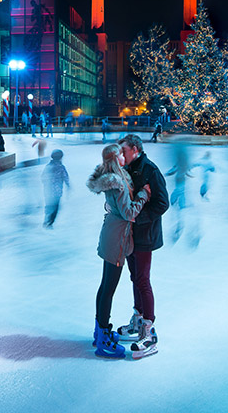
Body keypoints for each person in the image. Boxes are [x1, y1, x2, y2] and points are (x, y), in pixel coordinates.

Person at [86, 143, 150, 359]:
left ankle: (100, 331)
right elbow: (129, 213)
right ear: (115, 158)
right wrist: (143, 195)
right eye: (121, 153)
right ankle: (103, 339)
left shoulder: (115, 177)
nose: (125, 155)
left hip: (111, 234)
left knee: (105, 286)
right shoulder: (119, 183)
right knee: (109, 288)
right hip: (117, 239)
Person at [115, 134, 169, 359]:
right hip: (131, 235)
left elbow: (163, 203)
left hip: (145, 235)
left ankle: (149, 329)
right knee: (134, 277)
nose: (122, 155)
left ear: (135, 149)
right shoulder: (129, 169)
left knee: (143, 280)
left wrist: (140, 218)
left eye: (124, 151)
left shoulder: (150, 170)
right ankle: (138, 319)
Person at [41, 149, 70, 227]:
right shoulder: (61, 167)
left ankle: (46, 219)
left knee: (48, 205)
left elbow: (43, 177)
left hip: (48, 191)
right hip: (57, 192)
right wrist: (68, 186)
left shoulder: (48, 166)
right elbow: (65, 177)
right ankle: (50, 222)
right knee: (55, 207)